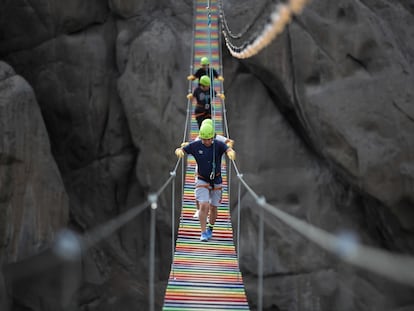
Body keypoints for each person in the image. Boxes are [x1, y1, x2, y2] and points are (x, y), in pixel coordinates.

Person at [175, 122, 236, 242]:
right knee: (204, 205)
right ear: (201, 137)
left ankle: (210, 229)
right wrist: (179, 151)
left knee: (213, 207)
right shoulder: (197, 145)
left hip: (216, 179)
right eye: (204, 139)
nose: (206, 141)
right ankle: (203, 232)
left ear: (212, 137)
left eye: (209, 139)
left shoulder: (218, 144)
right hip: (202, 178)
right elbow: (183, 148)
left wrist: (230, 152)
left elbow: (227, 147)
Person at [180, 118, 235, 219]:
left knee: (211, 191)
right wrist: (185, 147)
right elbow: (194, 145)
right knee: (199, 189)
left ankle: (207, 208)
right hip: (201, 167)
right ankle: (199, 209)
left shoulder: (217, 138)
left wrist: (229, 147)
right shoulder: (201, 138)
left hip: (214, 169)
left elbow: (228, 141)